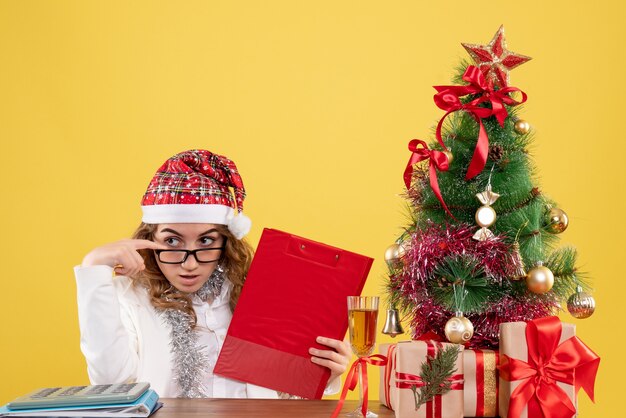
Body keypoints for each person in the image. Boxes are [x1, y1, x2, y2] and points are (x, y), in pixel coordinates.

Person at [75, 149, 351, 398]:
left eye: (205, 241)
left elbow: (283, 395)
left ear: (225, 242)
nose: (190, 264)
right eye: (172, 241)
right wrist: (93, 268)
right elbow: (111, 386)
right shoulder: (129, 296)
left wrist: (327, 373)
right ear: (150, 238)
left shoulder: (256, 291)